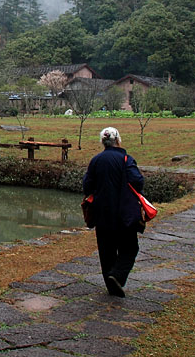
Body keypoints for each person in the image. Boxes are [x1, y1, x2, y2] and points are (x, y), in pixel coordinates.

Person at [82, 126, 145, 297]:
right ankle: (117, 276)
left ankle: (112, 286)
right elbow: (137, 181)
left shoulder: (96, 160)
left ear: (103, 142)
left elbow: (87, 185)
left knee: (106, 251)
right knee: (130, 248)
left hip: (102, 213)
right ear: (118, 140)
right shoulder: (126, 159)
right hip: (124, 213)